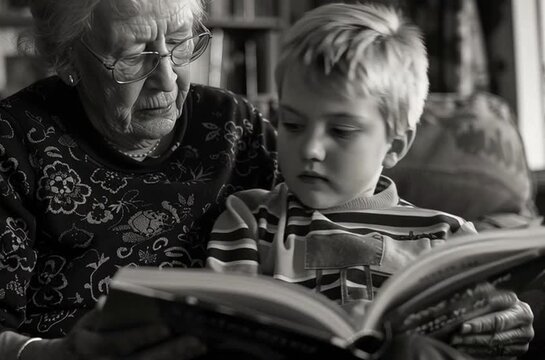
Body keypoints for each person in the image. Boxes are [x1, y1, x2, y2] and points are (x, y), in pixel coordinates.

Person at [0, 0, 277, 359]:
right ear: (67, 59)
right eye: (134, 57)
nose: (166, 79)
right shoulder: (13, 139)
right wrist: (57, 355)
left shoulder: (235, 128)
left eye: (180, 43)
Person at [206, 3, 534, 358]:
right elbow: (225, 326)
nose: (311, 148)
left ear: (394, 145)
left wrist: (496, 324)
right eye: (293, 125)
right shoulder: (250, 218)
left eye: (341, 131)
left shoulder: (447, 237)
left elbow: (482, 331)